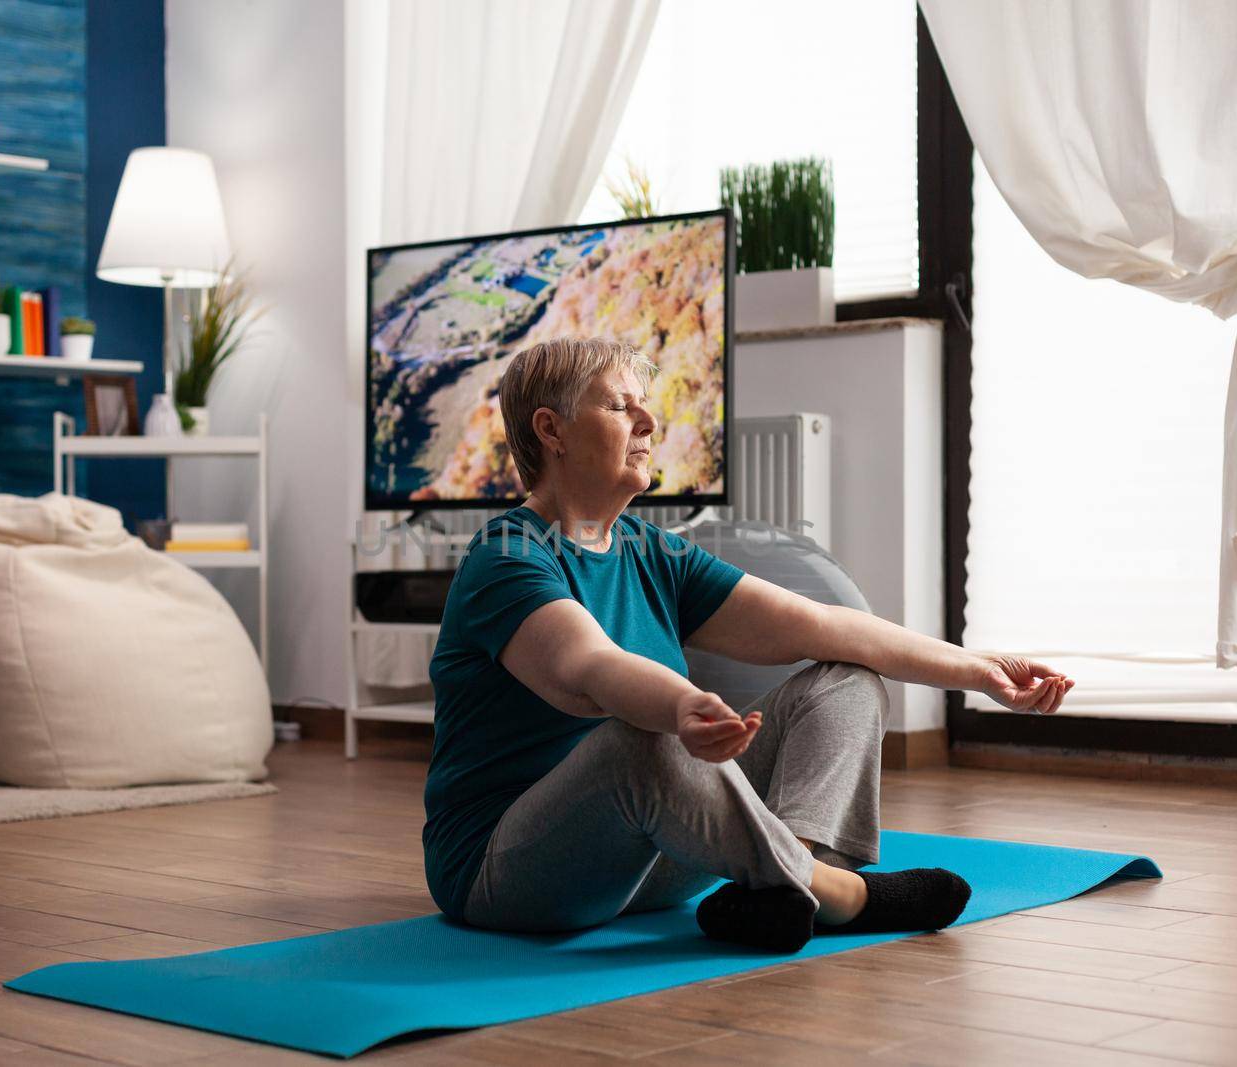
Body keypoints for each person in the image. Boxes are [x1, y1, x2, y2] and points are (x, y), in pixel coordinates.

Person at [423, 337, 1073, 952]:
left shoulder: (652, 553)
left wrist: (980, 670)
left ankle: (782, 888)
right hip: (515, 872)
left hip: (655, 860)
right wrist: (681, 707)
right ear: (551, 430)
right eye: (621, 405)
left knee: (846, 677)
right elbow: (589, 668)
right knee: (640, 736)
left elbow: (823, 625)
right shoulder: (506, 558)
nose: (649, 421)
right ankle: (838, 893)